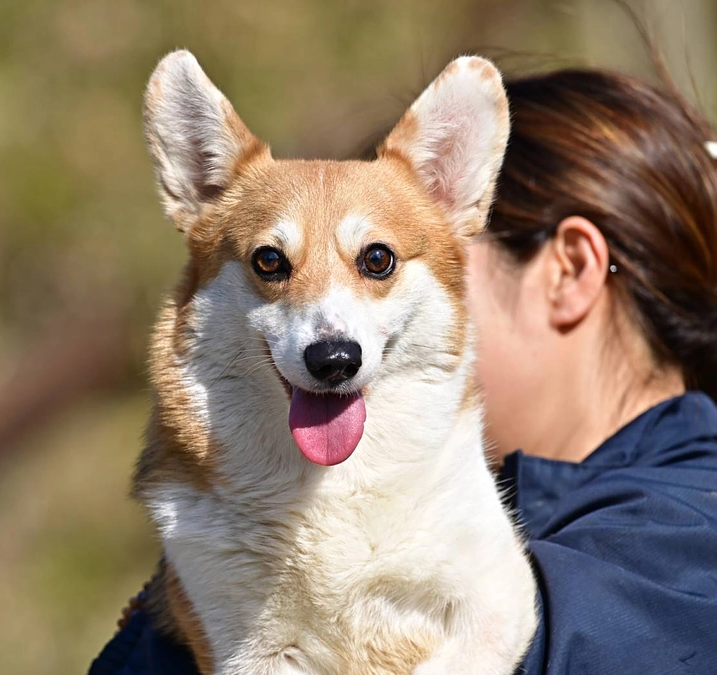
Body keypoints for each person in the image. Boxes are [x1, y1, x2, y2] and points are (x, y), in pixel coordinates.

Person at [89, 67, 717, 674]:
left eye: (378, 260)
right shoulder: (556, 501)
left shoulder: (680, 547)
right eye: (273, 263)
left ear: (568, 271)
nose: (333, 342)